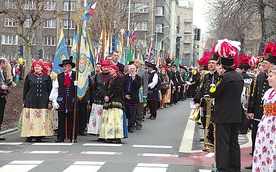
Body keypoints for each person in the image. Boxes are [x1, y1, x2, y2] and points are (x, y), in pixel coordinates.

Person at [209, 40, 243, 172]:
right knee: (234, 143)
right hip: (236, 115)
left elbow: (214, 93)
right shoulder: (238, 77)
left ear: (222, 65)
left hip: (223, 116)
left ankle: (222, 167)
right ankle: (234, 167)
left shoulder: (224, 78)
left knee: (222, 143)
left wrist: (214, 85)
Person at [245, 42, 276, 169]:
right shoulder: (260, 76)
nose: (263, 65)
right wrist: (251, 110)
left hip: (271, 118)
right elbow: (255, 95)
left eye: (265, 64)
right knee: (257, 138)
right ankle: (256, 160)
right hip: (260, 112)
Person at [193, 51, 219, 152]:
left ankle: (213, 142)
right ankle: (207, 141)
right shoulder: (207, 76)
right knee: (204, 121)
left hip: (215, 103)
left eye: (213, 63)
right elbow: (202, 88)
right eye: (209, 63)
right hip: (206, 102)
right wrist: (197, 100)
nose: (210, 65)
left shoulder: (219, 75)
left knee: (213, 122)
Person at [21, 61, 53, 142]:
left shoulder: (46, 77)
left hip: (42, 101)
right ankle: (29, 135)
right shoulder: (29, 76)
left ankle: (39, 135)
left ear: (42, 68)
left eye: (38, 66)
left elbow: (50, 90)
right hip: (30, 100)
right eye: (35, 66)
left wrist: (50, 102)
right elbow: (26, 89)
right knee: (31, 118)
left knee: (40, 119)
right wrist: (24, 100)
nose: (36, 68)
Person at [252, 66, 276, 171]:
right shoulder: (269, 92)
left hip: (274, 126)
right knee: (263, 150)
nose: (268, 79)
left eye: (271, 76)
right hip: (266, 126)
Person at [49, 59, 78, 143]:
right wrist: (54, 100)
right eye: (63, 67)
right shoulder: (59, 76)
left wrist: (77, 84)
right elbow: (55, 89)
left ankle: (72, 136)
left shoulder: (76, 75)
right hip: (62, 100)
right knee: (61, 119)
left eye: (65, 66)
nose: (64, 68)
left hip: (72, 101)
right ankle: (60, 136)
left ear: (70, 67)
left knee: (72, 119)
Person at [99, 64, 125, 143]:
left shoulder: (120, 79)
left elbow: (118, 90)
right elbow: (105, 89)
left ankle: (117, 137)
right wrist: (105, 96)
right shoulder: (109, 79)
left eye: (111, 69)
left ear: (115, 70)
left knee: (116, 119)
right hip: (108, 101)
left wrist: (109, 97)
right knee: (108, 119)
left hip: (116, 100)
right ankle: (109, 135)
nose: (109, 71)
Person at [87, 60, 110, 135]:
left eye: (107, 67)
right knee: (97, 116)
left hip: (108, 99)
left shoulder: (112, 76)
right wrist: (92, 99)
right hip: (97, 98)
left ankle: (105, 132)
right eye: (104, 67)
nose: (106, 69)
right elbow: (94, 87)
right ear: (101, 68)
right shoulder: (98, 76)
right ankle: (96, 131)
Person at [124, 64, 141, 133]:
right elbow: (121, 87)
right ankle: (124, 126)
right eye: (131, 68)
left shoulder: (138, 77)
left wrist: (134, 79)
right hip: (125, 97)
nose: (132, 70)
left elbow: (137, 87)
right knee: (125, 113)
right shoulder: (124, 77)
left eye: (133, 68)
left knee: (132, 113)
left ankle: (131, 126)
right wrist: (124, 95)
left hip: (133, 97)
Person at [134, 59, 148, 130]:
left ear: (140, 64)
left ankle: (139, 123)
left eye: (137, 63)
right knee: (133, 108)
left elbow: (145, 83)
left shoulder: (143, 72)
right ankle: (133, 123)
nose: (135, 64)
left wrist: (145, 94)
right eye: (134, 62)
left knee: (139, 108)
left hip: (140, 91)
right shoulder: (132, 70)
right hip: (133, 92)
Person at [0, 58, 9, 140]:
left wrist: (7, 88)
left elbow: (4, 82)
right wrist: (1, 87)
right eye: (6, 63)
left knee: (1, 115)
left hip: (2, 97)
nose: (7, 65)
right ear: (2, 63)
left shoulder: (3, 72)